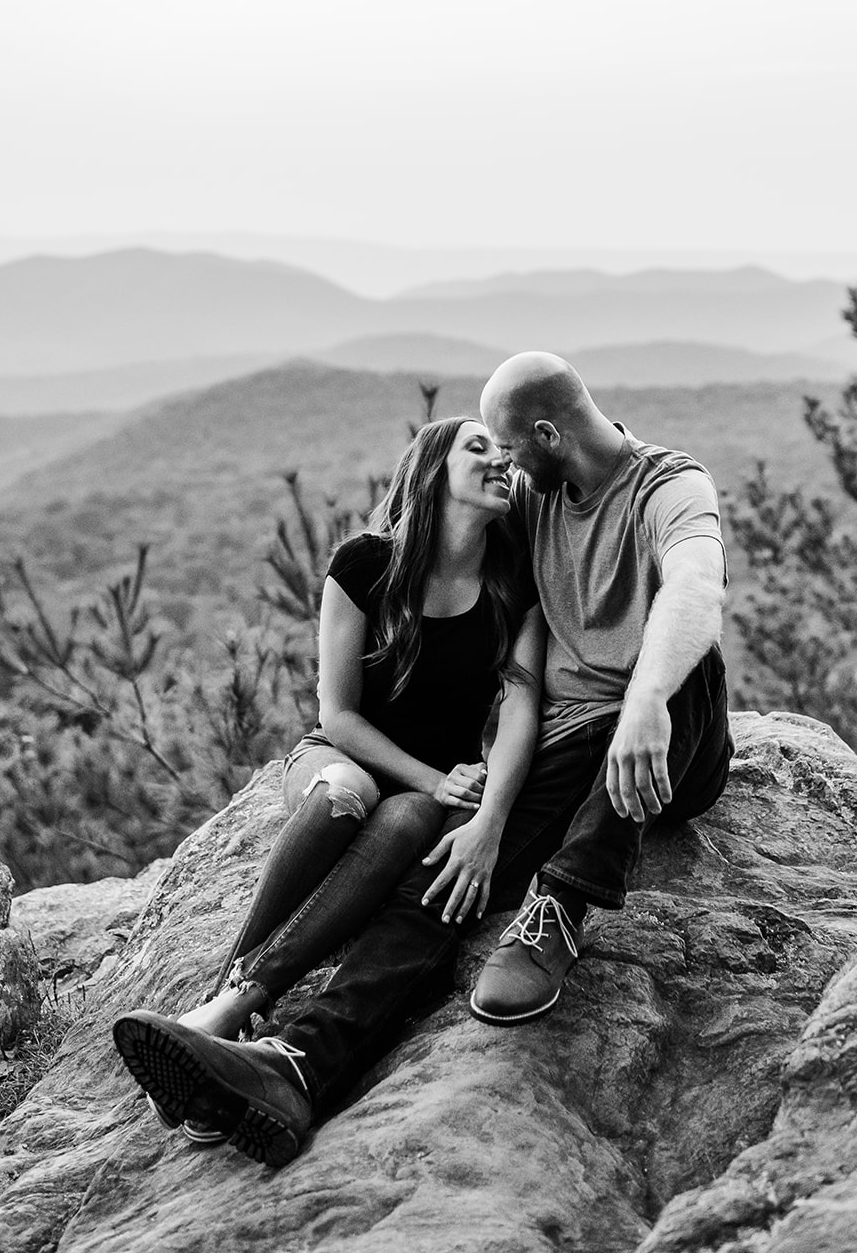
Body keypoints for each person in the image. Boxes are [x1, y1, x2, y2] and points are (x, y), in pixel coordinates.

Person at [113, 354, 732, 1168]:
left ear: (546, 435)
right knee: (438, 874)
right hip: (574, 742)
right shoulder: (532, 506)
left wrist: (645, 700)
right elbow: (482, 653)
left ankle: (561, 907)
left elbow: (694, 586)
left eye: (510, 451)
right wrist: (482, 820)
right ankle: (296, 1065)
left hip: (669, 747)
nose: (506, 470)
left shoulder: (670, 487)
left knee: (682, 664)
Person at [113, 414, 544, 1149]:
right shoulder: (364, 564)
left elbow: (519, 701)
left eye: (503, 451)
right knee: (353, 795)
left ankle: (220, 1030)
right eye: (478, 447)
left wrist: (467, 802)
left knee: (407, 820)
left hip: (416, 794)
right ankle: (226, 1000)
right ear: (432, 470)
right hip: (339, 758)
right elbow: (338, 714)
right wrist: (435, 778)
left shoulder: (509, 583)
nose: (499, 460)